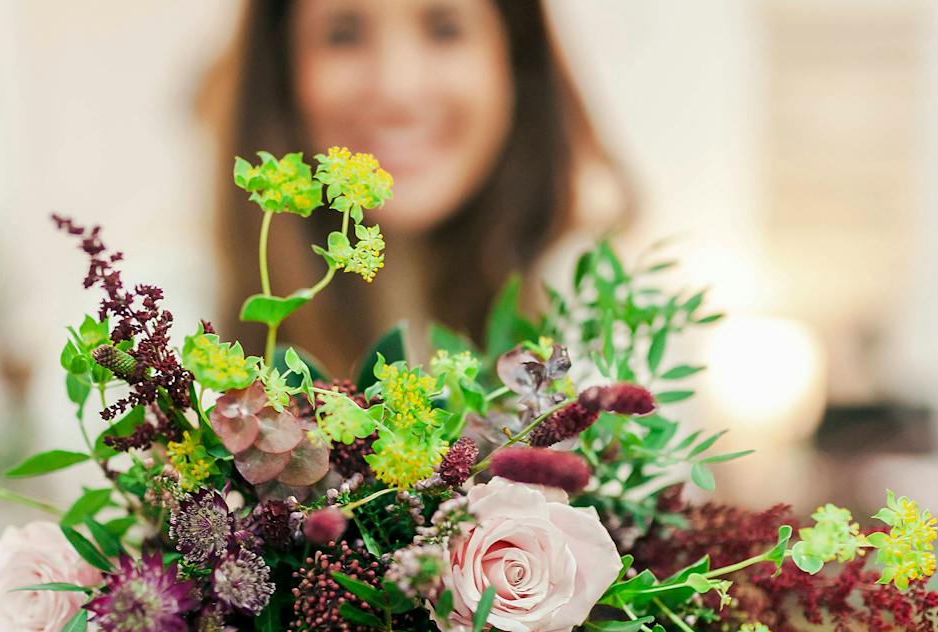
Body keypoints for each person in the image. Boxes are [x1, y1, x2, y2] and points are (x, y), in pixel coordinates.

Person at [208, 0, 630, 379]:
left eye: (445, 27)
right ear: (279, 72)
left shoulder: (616, 335)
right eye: (343, 34)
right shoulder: (185, 327)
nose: (397, 89)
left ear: (515, 58)